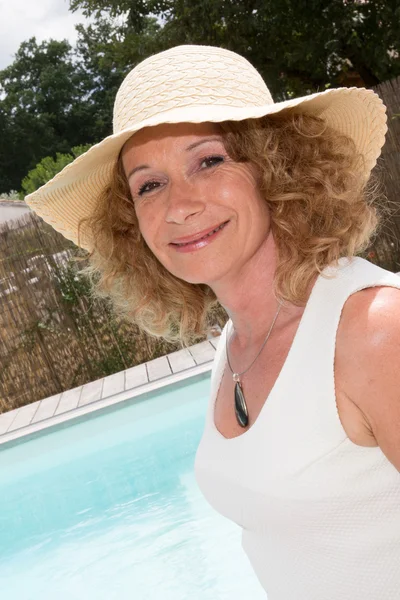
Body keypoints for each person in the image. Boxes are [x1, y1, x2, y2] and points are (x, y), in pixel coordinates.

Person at [25, 45, 400, 599]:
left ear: (276, 167)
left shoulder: (374, 330)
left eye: (209, 161)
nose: (179, 205)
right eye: (149, 185)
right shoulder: (234, 347)